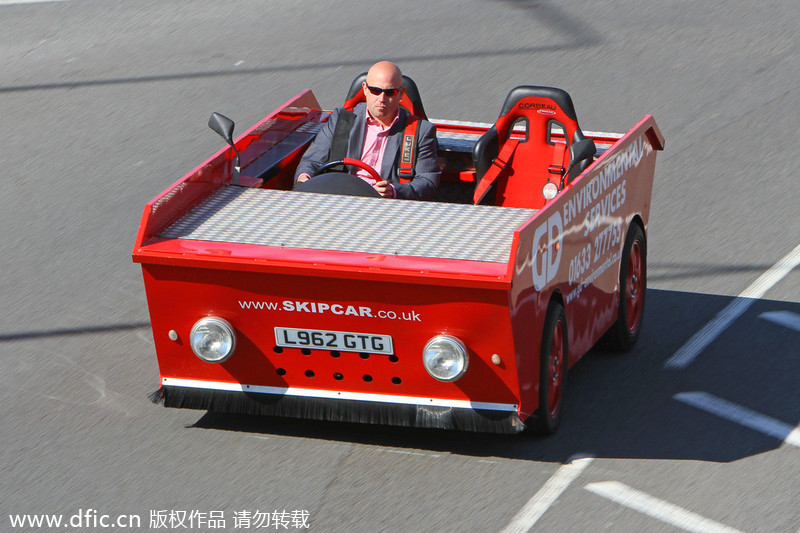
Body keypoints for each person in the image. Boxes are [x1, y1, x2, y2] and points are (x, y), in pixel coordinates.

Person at [294, 61, 440, 200]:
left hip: (384, 208)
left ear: (401, 93)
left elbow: (428, 182)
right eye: (375, 91)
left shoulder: (421, 132)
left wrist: (394, 191)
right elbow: (311, 161)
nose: (381, 99)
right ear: (365, 89)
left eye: (390, 92)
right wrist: (304, 177)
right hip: (339, 198)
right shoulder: (340, 120)